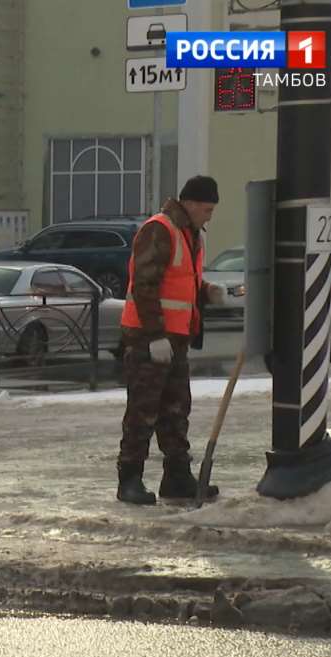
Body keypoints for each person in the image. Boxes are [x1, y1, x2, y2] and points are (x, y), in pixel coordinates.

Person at [116, 176, 228, 504]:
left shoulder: (189, 234)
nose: (209, 216)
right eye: (207, 209)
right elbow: (145, 285)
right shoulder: (160, 230)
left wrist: (206, 291)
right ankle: (129, 479)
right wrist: (154, 336)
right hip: (149, 338)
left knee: (176, 409)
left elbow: (180, 282)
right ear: (190, 204)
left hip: (176, 339)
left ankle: (177, 477)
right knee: (143, 409)